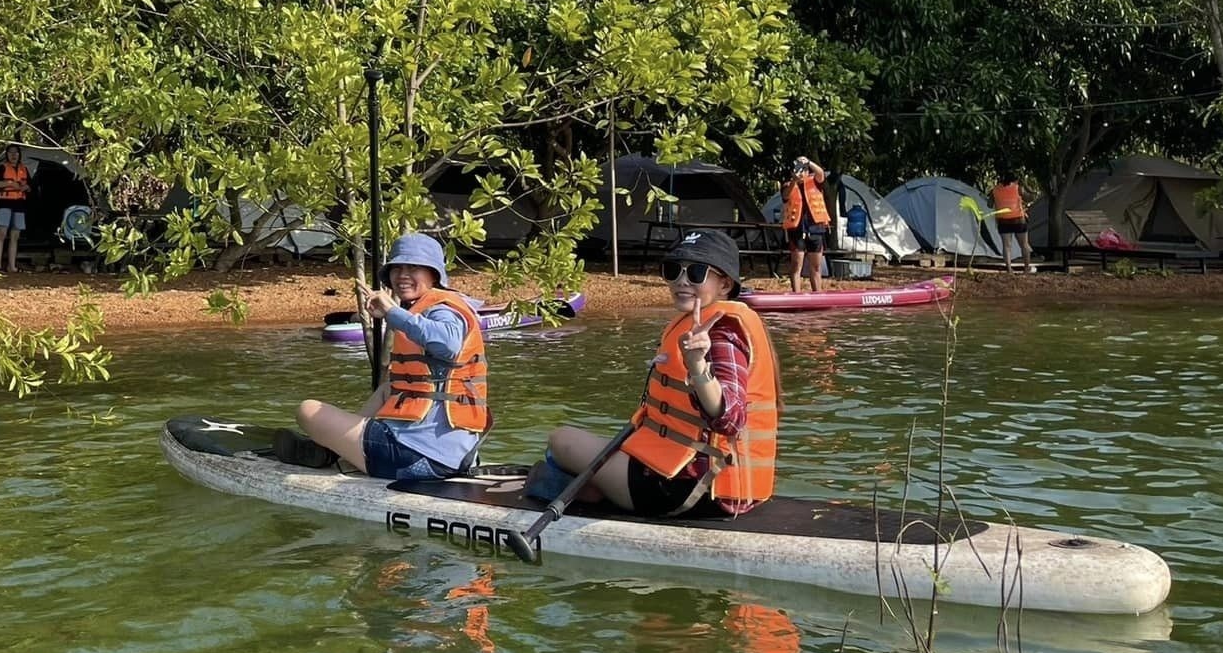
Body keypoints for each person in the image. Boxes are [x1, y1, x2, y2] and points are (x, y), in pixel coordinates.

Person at [524, 229, 778, 519]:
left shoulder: (721, 334)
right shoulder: (700, 324)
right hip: (699, 482)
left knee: (561, 440)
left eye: (696, 272)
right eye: (673, 270)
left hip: (689, 490)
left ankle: (583, 491)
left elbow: (731, 419)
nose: (681, 280)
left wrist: (696, 365)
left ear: (724, 284)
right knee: (591, 446)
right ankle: (593, 488)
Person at [279, 232, 489, 480]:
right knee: (388, 389)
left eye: (413, 267)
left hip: (415, 459)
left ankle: (331, 451)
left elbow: (448, 344)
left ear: (434, 274)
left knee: (308, 410)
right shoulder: (433, 307)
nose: (403, 275)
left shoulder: (443, 310)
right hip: (455, 459)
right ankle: (338, 448)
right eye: (397, 268)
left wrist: (391, 310)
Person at [780, 156, 830, 293]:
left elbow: (821, 174)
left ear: (808, 172)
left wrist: (808, 162)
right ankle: (797, 294)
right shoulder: (787, 185)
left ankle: (817, 293)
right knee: (797, 265)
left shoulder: (815, 182)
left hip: (815, 228)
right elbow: (785, 196)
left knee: (816, 266)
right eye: (798, 170)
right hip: (797, 229)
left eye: (803, 170)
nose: (801, 174)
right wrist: (794, 181)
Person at [0, 144, 32, 274]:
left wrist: (26, 188)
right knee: (2, 232)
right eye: (10, 152)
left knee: (15, 235)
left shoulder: (24, 169)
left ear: (19, 155)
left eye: (16, 153)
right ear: (7, 155)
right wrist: (9, 184)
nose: (13, 155)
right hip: (4, 202)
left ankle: (11, 266)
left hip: (19, 203)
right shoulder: (3, 168)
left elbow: (30, 186)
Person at [991, 173, 1034, 272]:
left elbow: (989, 204)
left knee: (1006, 246)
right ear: (1014, 180)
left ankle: (1009, 269)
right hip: (1018, 219)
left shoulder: (995, 189)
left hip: (1003, 220)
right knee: (1024, 244)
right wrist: (1027, 186)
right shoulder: (1017, 188)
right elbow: (1030, 198)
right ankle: (1027, 267)